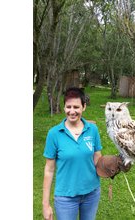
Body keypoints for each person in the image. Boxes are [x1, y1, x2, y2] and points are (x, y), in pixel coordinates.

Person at [42, 87, 102, 220]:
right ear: (64, 108)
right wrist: (45, 205)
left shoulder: (92, 130)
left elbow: (97, 157)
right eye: (68, 107)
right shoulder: (54, 133)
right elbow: (49, 170)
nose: (72, 111)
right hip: (65, 197)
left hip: (92, 193)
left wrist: (112, 166)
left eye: (76, 107)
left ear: (84, 107)